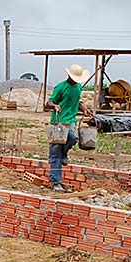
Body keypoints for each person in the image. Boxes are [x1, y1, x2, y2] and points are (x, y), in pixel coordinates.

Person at [45, 63, 93, 191]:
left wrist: (84, 109)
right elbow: (48, 102)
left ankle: (65, 153)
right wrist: (54, 106)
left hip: (70, 120)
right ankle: (55, 182)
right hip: (58, 121)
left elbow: (77, 101)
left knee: (73, 138)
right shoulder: (61, 87)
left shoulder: (78, 87)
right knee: (56, 152)